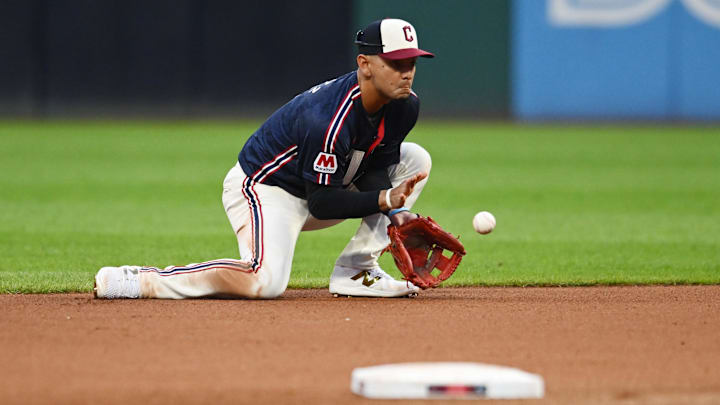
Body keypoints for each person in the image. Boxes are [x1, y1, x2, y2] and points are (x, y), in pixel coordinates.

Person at [94, 18, 435, 299]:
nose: (406, 72)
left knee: (415, 160)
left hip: (325, 183)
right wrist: (383, 200)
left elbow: (375, 165)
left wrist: (397, 212)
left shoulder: (405, 106)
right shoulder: (327, 120)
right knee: (265, 282)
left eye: (412, 63)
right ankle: (143, 280)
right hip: (267, 190)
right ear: (365, 65)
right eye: (395, 63)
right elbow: (321, 203)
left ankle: (357, 270)